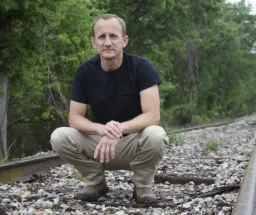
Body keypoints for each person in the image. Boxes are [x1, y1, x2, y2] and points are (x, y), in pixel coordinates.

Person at [50, 14, 169, 203]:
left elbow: (152, 116)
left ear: (124, 40)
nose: (107, 42)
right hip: (100, 146)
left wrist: (117, 129)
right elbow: (75, 119)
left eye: (113, 36)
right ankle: (96, 182)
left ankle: (142, 187)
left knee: (156, 134)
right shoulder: (84, 72)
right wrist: (102, 129)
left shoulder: (142, 67)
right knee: (59, 136)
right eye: (101, 37)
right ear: (93, 42)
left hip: (133, 143)